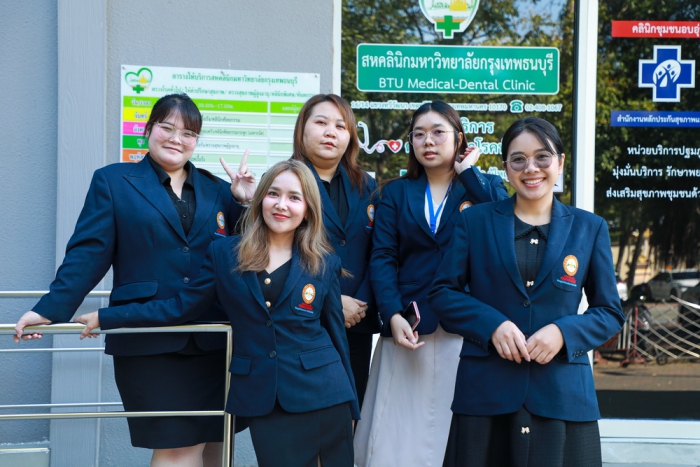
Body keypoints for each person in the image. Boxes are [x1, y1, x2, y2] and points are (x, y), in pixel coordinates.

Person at [14, 93, 255, 466]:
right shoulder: (114, 181)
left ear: (196, 140)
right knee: (177, 446)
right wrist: (49, 309)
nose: (176, 138)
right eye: (167, 127)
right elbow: (88, 253)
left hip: (213, 338)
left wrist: (244, 203)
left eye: (188, 133)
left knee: (213, 442)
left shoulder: (219, 190)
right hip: (148, 338)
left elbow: (246, 251)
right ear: (148, 129)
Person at [76, 160, 360, 467]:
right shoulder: (225, 254)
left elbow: (336, 337)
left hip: (326, 394)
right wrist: (107, 317)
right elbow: (179, 307)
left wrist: (353, 407)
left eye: (294, 197)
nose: (281, 205)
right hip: (263, 395)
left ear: (308, 210)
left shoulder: (324, 262)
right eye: (273, 194)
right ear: (260, 199)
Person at [428, 117, 625, 467]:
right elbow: (443, 293)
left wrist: (563, 333)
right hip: (486, 393)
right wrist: (492, 326)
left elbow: (609, 312)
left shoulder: (589, 227)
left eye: (542, 157)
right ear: (506, 168)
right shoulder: (475, 221)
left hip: (562, 395)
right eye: (518, 159)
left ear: (560, 162)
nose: (530, 168)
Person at [353, 101, 509, 467]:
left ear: (459, 138)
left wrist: (468, 174)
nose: (428, 141)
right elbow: (383, 257)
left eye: (438, 132)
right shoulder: (395, 193)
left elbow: (503, 226)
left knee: (458, 430)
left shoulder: (484, 186)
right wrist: (392, 314)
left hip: (464, 325)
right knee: (399, 433)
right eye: (419, 134)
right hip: (410, 325)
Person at [291, 93, 378, 408]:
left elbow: (379, 253)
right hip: (303, 320)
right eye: (321, 122)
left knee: (351, 414)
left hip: (356, 321)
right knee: (308, 415)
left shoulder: (367, 185)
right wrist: (332, 301)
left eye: (341, 126)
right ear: (303, 129)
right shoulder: (285, 181)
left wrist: (360, 305)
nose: (331, 132)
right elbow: (280, 254)